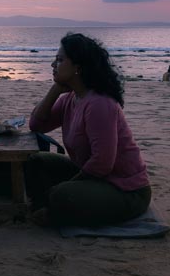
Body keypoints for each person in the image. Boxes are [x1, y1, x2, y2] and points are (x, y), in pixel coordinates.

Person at [26, 33, 151, 227]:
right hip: (92, 177)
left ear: (78, 67)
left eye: (59, 60)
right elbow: (36, 125)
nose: (53, 65)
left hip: (124, 189)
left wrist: (70, 185)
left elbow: (102, 163)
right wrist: (56, 89)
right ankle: (45, 208)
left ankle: (51, 208)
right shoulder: (71, 98)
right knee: (35, 162)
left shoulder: (99, 103)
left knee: (61, 194)